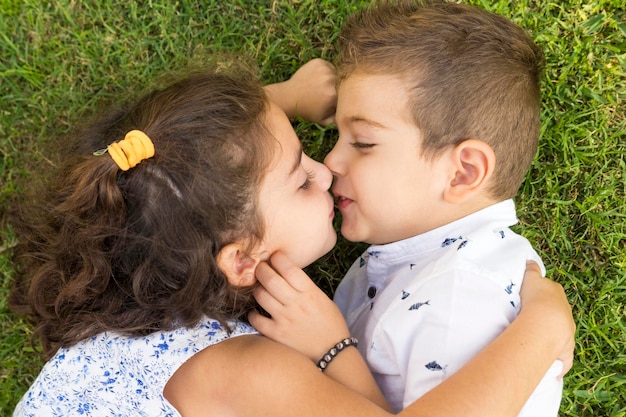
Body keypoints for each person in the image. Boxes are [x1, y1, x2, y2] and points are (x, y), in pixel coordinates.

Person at [8, 58, 573, 417]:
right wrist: (543, 328)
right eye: (301, 178)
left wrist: (288, 97)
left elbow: (186, 149)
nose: (326, 169)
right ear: (241, 260)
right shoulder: (254, 375)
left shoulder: (130, 272)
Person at [250, 1, 566, 416]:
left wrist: (331, 350)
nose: (330, 163)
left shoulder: (461, 296)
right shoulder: (447, 266)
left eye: (363, 143)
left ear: (461, 174)